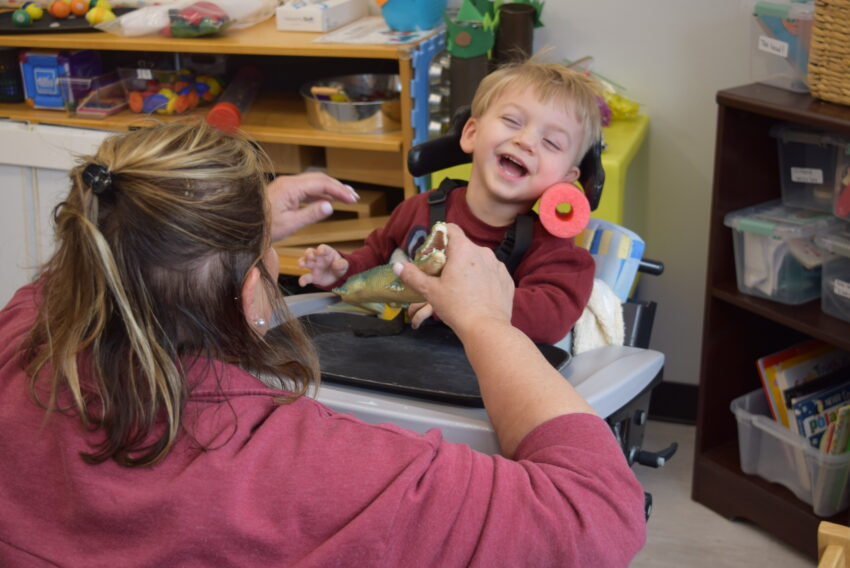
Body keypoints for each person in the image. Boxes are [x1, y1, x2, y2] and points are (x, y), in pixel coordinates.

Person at [0, 122, 645, 566]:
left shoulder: (19, 339)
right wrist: (488, 325)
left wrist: (209, 227)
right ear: (255, 292)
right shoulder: (305, 473)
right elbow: (597, 518)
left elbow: (91, 260)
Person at [298, 60, 600, 345]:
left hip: (482, 380)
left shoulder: (554, 252)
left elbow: (551, 319)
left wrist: (461, 304)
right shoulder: (417, 210)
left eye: (551, 143)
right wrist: (341, 269)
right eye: (511, 121)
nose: (527, 141)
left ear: (565, 179)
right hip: (397, 357)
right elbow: (375, 261)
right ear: (471, 133)